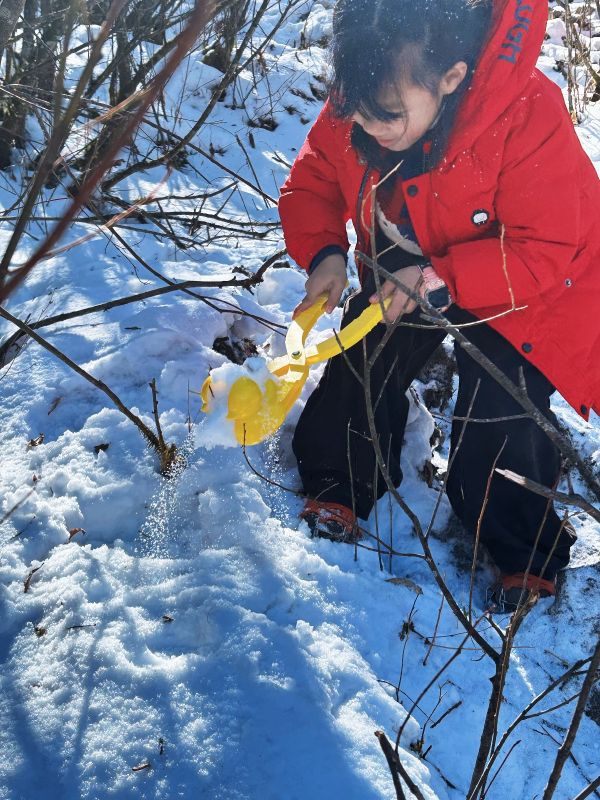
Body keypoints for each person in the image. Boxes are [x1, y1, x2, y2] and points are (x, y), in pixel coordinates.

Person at [278, 0, 600, 610]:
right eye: (356, 112)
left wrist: (439, 277)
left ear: (451, 78)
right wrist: (324, 251)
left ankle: (523, 548)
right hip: (408, 261)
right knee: (365, 350)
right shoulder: (368, 90)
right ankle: (338, 481)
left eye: (389, 117)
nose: (368, 129)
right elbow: (314, 177)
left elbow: (545, 248)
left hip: (521, 282)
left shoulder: (526, 111)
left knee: (502, 404)